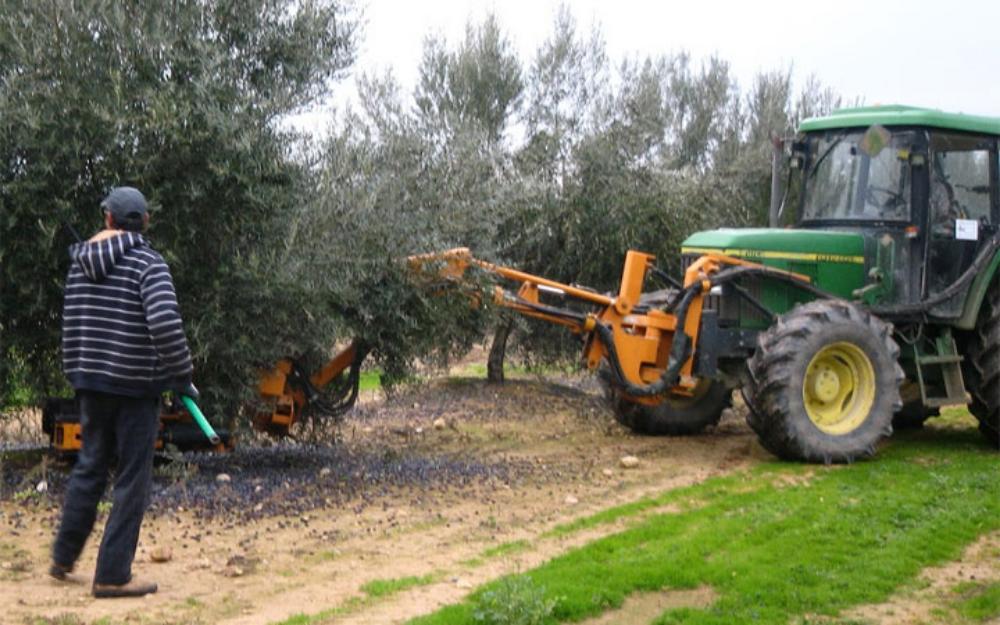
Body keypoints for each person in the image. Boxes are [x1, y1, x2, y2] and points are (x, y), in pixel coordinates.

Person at [50, 186, 196, 598]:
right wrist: (181, 374)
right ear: (144, 222)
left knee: (91, 464)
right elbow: (166, 325)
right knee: (133, 478)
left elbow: (72, 323)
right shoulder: (149, 264)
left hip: (89, 383)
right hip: (135, 387)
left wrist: (77, 372)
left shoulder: (80, 264)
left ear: (108, 219)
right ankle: (112, 575)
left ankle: (63, 557)